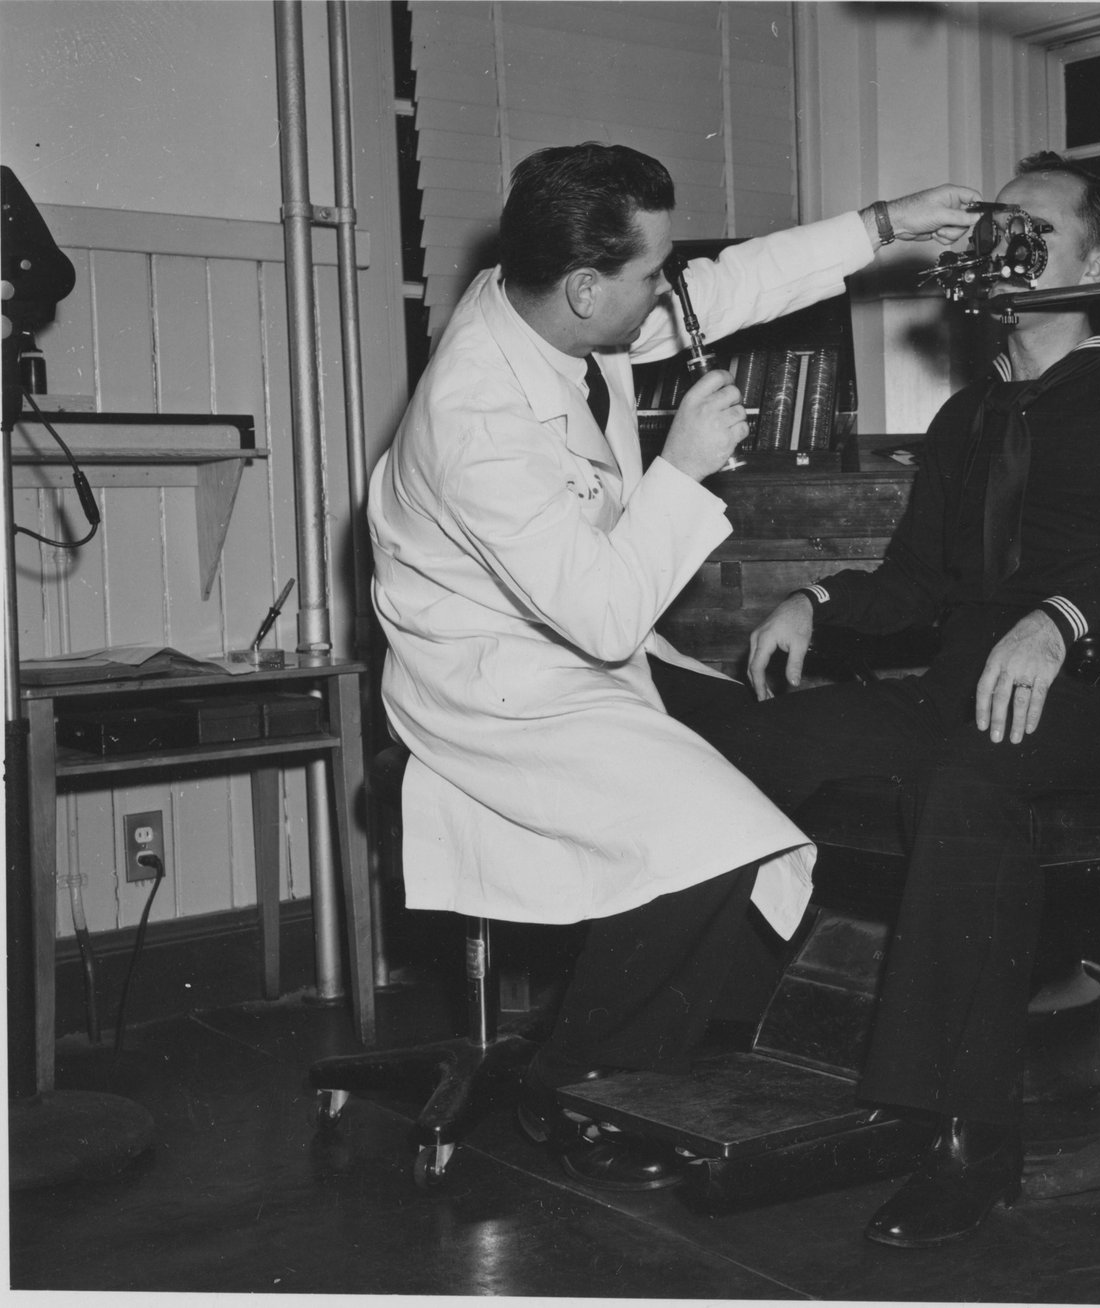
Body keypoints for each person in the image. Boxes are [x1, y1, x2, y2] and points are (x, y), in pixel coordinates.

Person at [366, 140, 979, 1192]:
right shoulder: (476, 422)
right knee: (715, 838)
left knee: (842, 739)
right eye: (648, 274)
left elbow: (717, 291)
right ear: (586, 285)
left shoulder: (543, 304)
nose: (667, 294)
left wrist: (884, 223)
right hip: (502, 687)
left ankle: (710, 1039)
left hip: (591, 653)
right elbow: (603, 616)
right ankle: (576, 1080)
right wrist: (685, 468)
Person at [696, 153, 1100, 1245]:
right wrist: (813, 598)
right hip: (951, 684)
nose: (1003, 245)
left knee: (963, 782)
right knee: (749, 743)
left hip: (1081, 695)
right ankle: (700, 1049)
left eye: (1034, 229)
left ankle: (964, 1137)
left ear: (1097, 264)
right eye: (996, 229)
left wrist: (1064, 618)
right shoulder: (967, 417)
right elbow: (918, 586)